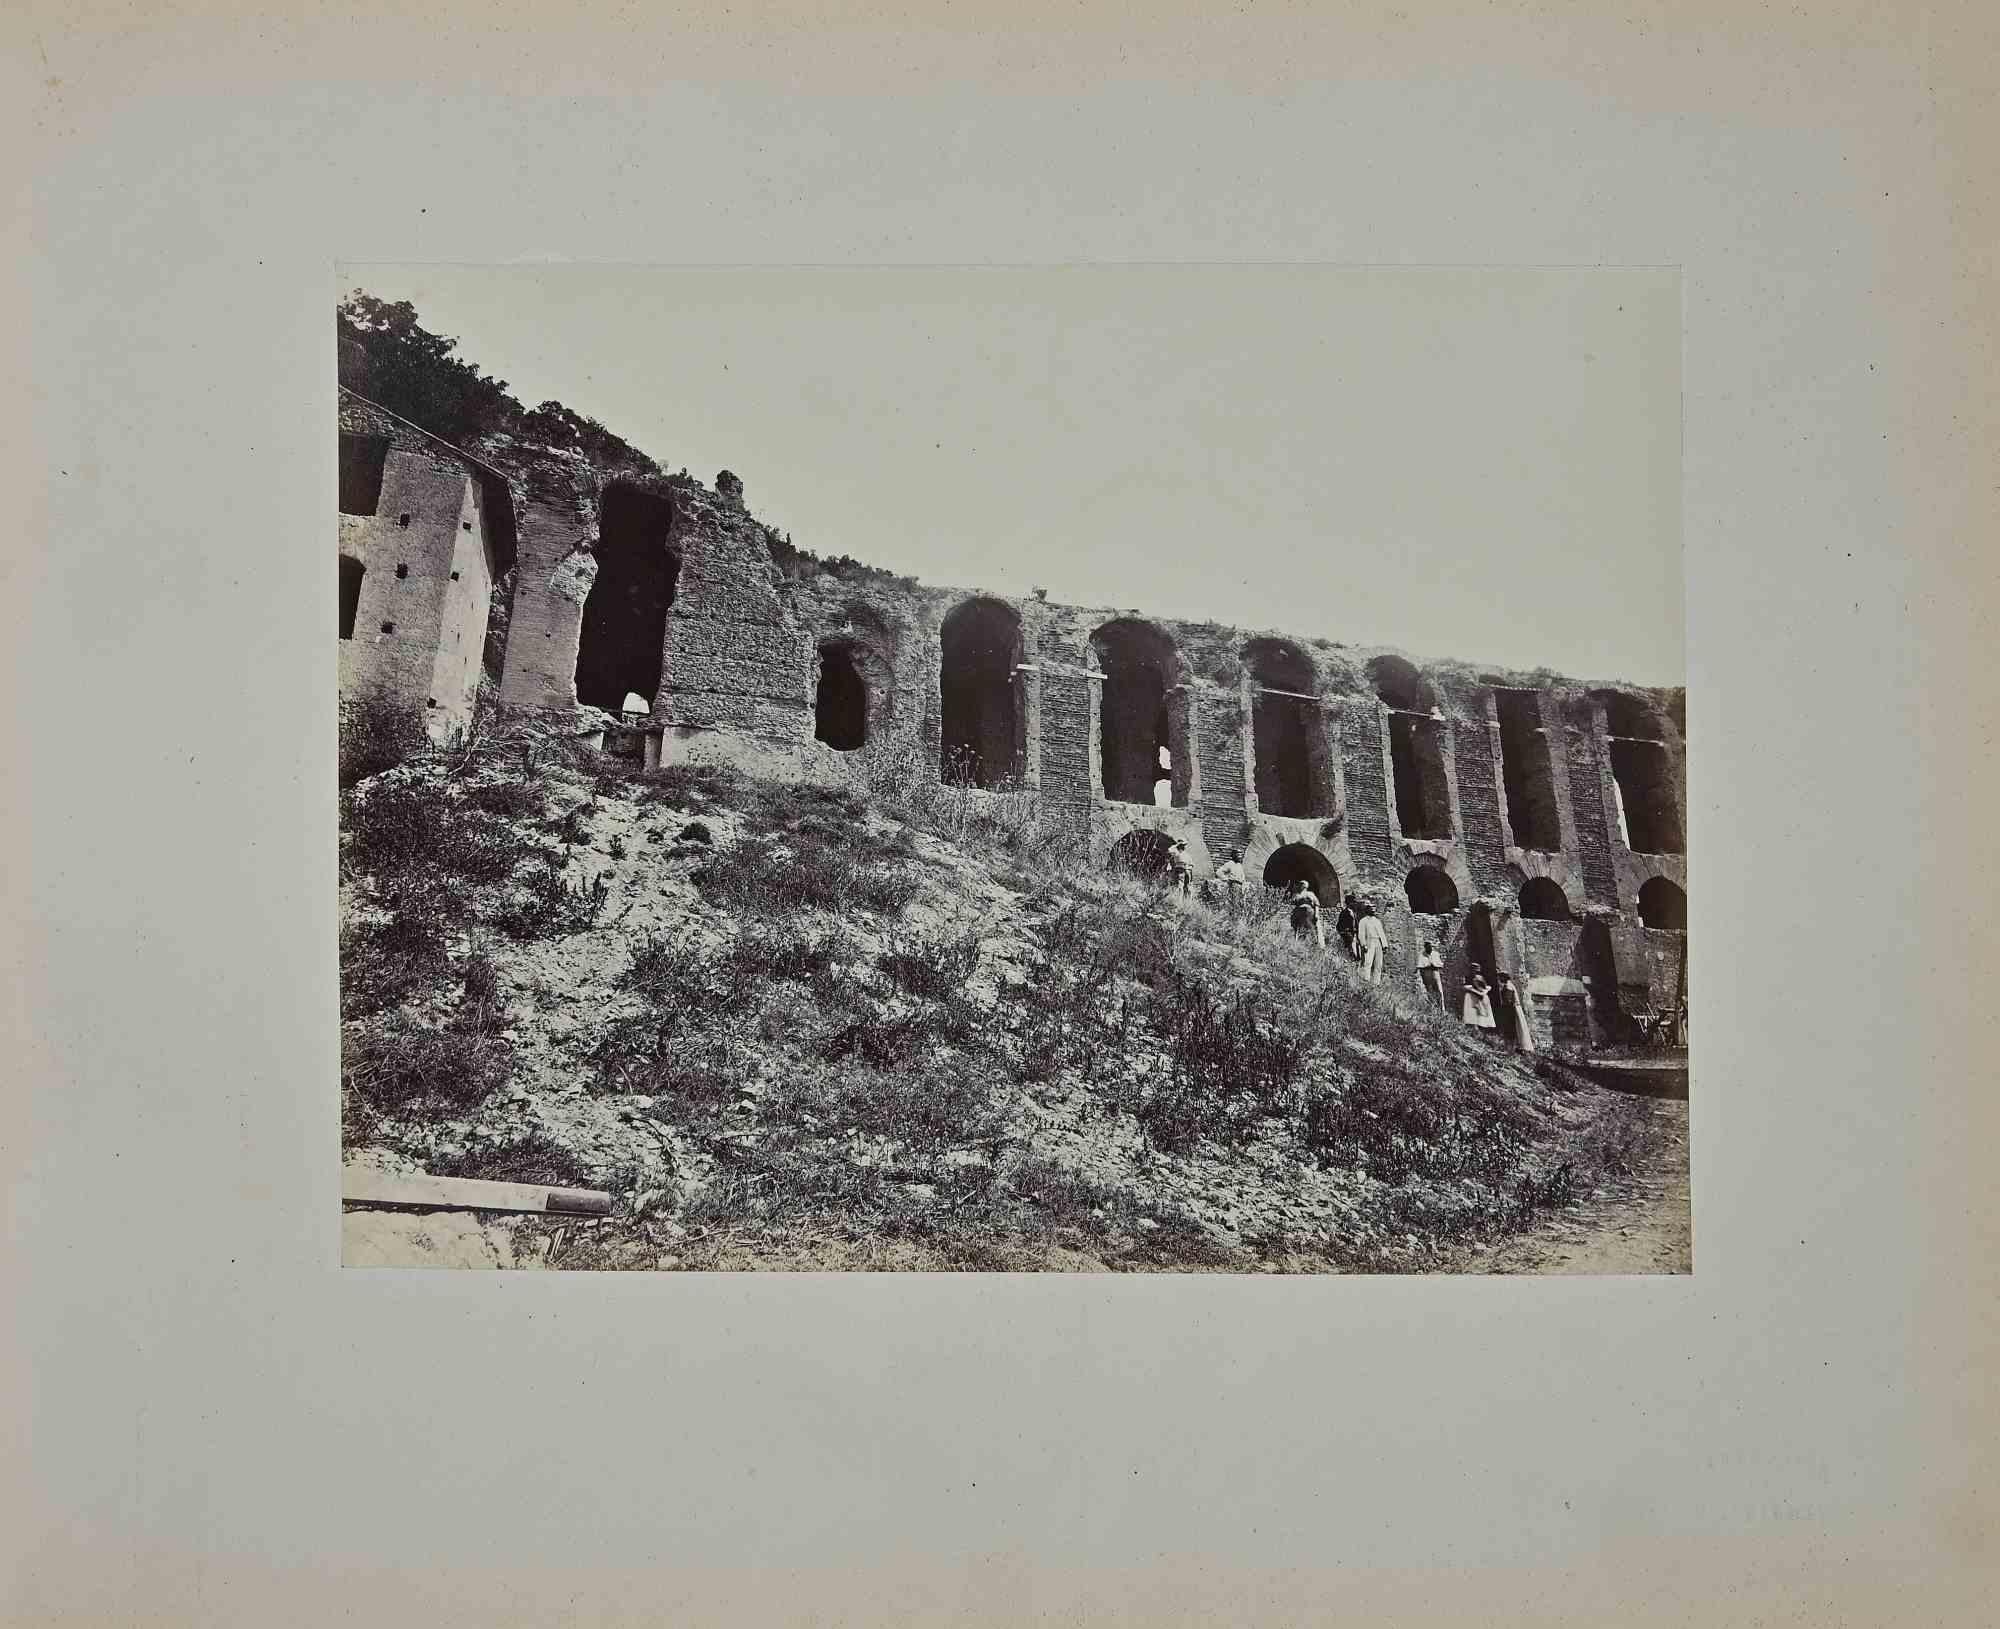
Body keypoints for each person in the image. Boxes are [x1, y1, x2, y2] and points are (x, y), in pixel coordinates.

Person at [1286, 879, 1324, 949]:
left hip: (1309, 913)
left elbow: (1316, 904)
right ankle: (1298, 945)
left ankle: (1315, 944)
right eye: (1301, 885)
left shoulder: (1310, 894)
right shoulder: (1296, 894)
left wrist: (1316, 914)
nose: (1302, 886)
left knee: (1311, 928)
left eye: (1303, 885)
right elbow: (1291, 902)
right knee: (1299, 929)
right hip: (1298, 914)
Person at [1355, 901, 1387, 983]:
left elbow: (1381, 933)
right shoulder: (1363, 921)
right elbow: (1361, 934)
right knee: (1368, 962)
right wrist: (1363, 944)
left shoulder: (1377, 921)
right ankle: (1366, 979)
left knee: (1378, 964)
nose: (1373, 910)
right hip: (1369, 942)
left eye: (1374, 908)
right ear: (1367, 910)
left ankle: (1376, 982)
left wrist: (1384, 945)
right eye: (1371, 909)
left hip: (1378, 943)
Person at [1462, 963, 1497, 1029]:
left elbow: (1485, 987)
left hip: (1479, 996)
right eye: (1474, 970)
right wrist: (1473, 990)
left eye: (1477, 970)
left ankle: (1480, 1026)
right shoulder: (1467, 977)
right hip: (1471, 996)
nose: (1475, 972)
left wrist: (1483, 992)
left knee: (1479, 1011)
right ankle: (1472, 1026)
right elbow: (1465, 986)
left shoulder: (1480, 977)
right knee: (1472, 1011)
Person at [1416, 939, 1445, 1012]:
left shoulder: (1436, 954)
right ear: (1425, 947)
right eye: (1429, 947)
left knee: (1439, 991)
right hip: (1427, 975)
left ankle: (1442, 1009)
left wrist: (1435, 964)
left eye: (1431, 947)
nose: (1430, 948)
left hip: (1435, 973)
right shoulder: (1422, 954)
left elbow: (1441, 964)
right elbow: (1419, 965)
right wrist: (1427, 965)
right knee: (1430, 991)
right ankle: (1432, 1009)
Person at [1334, 894, 1360, 960]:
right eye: (1353, 902)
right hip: (1348, 935)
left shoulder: (1353, 912)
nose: (1355, 904)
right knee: (1351, 951)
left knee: (1355, 950)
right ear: (1349, 903)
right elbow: (1339, 926)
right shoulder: (1345, 912)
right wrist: (1346, 933)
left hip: (1353, 934)